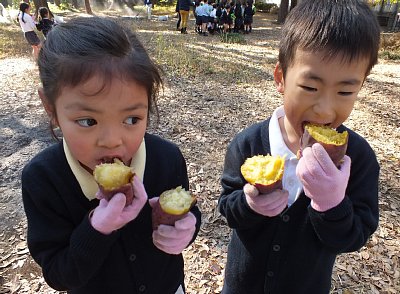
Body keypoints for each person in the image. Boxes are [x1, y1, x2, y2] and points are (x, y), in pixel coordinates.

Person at [21, 17, 201, 294]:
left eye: (132, 119)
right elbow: (58, 274)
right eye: (87, 121)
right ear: (50, 107)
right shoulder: (44, 178)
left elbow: (191, 213)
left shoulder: (167, 159)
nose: (112, 141)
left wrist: (188, 228)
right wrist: (96, 230)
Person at [218, 0, 380, 293]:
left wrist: (331, 204)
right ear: (281, 78)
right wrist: (249, 203)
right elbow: (228, 207)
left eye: (345, 91)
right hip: (243, 285)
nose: (324, 110)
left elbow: (354, 236)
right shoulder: (249, 144)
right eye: (310, 87)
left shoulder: (358, 158)